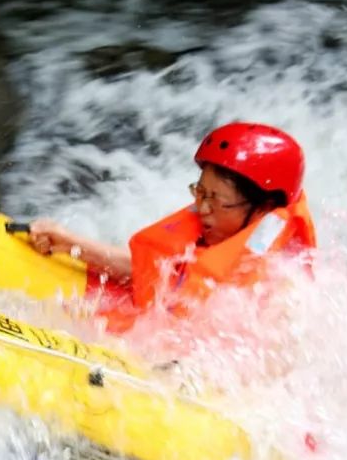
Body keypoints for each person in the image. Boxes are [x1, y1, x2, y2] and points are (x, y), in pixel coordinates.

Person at [27, 122, 317, 331]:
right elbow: (165, 273)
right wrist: (73, 245)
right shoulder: (218, 230)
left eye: (217, 200)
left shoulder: (282, 287)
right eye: (200, 192)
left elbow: (249, 366)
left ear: (263, 209)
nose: (202, 209)